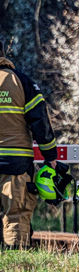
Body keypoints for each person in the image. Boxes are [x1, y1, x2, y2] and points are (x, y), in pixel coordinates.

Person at [0, 54, 59, 249]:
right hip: (15, 162)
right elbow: (40, 121)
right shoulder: (21, 81)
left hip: (14, 161)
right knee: (16, 213)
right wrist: (50, 155)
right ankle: (16, 261)